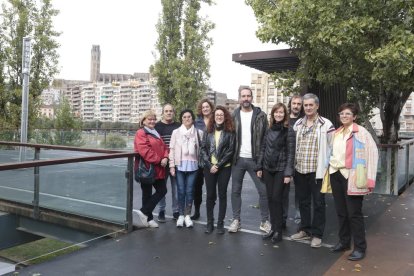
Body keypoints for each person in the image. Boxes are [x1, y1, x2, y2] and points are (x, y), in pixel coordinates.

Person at [328, 103, 378, 261]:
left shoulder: (361, 133)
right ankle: (344, 242)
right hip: (336, 174)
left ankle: (360, 248)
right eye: (341, 114)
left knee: (354, 214)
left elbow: (373, 154)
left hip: (353, 176)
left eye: (347, 114)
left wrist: (370, 179)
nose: (344, 116)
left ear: (354, 116)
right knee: (341, 212)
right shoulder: (336, 133)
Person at [290, 93, 335, 248]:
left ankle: (317, 234)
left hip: (317, 172)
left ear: (317, 106)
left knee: (318, 203)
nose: (308, 108)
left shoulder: (326, 124)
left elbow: (333, 146)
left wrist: (328, 167)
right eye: (305, 105)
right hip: (300, 170)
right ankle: (305, 230)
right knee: (303, 202)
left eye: (311, 105)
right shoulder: (298, 124)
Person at [229, 86, 271, 234]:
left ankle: (265, 221)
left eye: (248, 96)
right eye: (243, 96)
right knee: (235, 191)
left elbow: (266, 138)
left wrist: (262, 161)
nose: (246, 98)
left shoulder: (261, 115)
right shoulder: (233, 115)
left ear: (252, 98)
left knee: (263, 191)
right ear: (239, 98)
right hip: (238, 159)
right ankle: (236, 220)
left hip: (255, 160)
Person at [256, 103, 296, 243]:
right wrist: (259, 167)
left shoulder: (289, 131)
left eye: (281, 112)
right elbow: (263, 148)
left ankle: (278, 231)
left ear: (285, 115)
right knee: (270, 199)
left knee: (277, 199)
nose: (278, 114)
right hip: (267, 169)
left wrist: (288, 173)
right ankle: (273, 228)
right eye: (276, 112)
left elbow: (291, 154)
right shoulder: (268, 130)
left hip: (281, 170)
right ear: (272, 114)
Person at [200, 106, 235, 235]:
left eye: (221, 115)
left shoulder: (230, 132)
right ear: (213, 117)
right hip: (209, 168)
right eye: (217, 115)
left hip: (224, 168)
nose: (219, 117)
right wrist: (210, 165)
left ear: (225, 117)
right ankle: (210, 223)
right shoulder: (207, 131)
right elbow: (203, 149)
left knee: (222, 195)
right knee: (210, 195)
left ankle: (220, 224)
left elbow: (230, 151)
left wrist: (218, 165)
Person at [133, 110, 169, 228]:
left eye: (154, 119)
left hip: (158, 168)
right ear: (143, 121)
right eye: (149, 119)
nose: (152, 121)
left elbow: (164, 147)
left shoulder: (155, 132)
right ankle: (148, 219)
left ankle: (144, 212)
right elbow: (144, 151)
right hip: (147, 168)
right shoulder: (141, 133)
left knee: (162, 190)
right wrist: (160, 160)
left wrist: (165, 157)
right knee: (147, 194)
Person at [169, 109, 203, 228]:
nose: (187, 119)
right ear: (181, 119)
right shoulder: (176, 132)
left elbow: (202, 150)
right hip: (180, 165)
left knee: (189, 191)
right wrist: (172, 165)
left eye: (189, 117)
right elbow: (172, 150)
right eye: (184, 117)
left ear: (192, 119)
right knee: (181, 191)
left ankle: (188, 215)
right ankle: (181, 216)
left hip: (193, 166)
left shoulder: (199, 133)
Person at [155, 104, 181, 222]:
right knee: (161, 189)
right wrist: (161, 158)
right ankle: (161, 210)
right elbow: (156, 145)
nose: (169, 113)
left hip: (175, 163)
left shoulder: (178, 126)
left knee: (176, 189)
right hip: (162, 163)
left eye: (171, 111)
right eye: (166, 111)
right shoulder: (157, 127)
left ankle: (176, 211)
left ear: (173, 112)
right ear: (163, 112)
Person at [192, 99, 215, 220]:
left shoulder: (216, 120)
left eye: (207, 107)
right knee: (197, 186)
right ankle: (196, 211)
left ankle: (211, 215)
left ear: (211, 107)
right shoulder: (196, 123)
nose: (205, 109)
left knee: (211, 188)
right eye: (203, 107)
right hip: (199, 159)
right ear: (200, 109)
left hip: (213, 159)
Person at [287, 95, 304, 227]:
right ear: (290, 104)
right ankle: (282, 218)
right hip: (285, 161)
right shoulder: (284, 119)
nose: (296, 106)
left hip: (300, 162)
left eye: (299, 104)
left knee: (300, 192)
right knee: (282, 192)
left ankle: (299, 218)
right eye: (294, 103)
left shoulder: (305, 121)